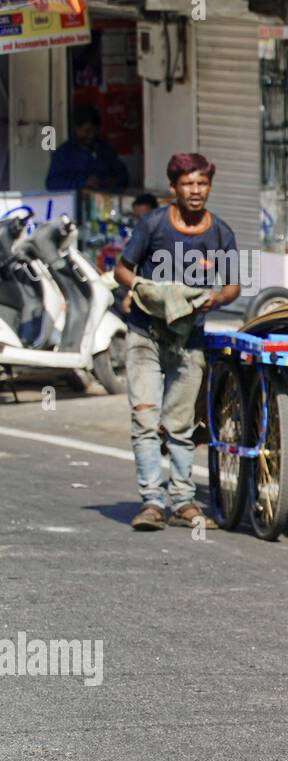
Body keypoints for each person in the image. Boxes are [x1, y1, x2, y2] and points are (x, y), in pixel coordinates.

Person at [115, 153, 241, 532]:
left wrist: (214, 298)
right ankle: (153, 501)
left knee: (181, 425)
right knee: (145, 419)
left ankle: (184, 501)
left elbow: (233, 284)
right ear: (173, 188)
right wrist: (142, 287)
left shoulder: (220, 232)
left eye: (202, 183)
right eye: (188, 184)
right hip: (144, 336)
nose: (196, 191)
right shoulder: (152, 224)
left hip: (190, 340)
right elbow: (123, 269)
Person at [45, 106, 130, 191]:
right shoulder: (63, 153)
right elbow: (52, 183)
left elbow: (124, 177)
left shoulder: (106, 149)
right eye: (87, 131)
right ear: (76, 129)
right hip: (75, 202)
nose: (91, 135)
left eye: (95, 130)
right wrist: (83, 183)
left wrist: (108, 182)